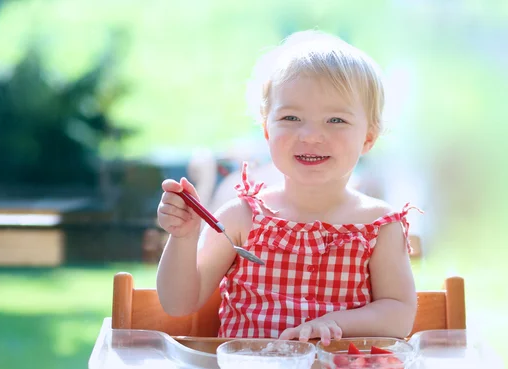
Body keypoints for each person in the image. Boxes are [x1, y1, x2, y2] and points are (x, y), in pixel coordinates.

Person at [156, 30, 421, 345]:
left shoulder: (378, 225)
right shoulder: (242, 219)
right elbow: (178, 303)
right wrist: (183, 238)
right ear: (267, 130)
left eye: (335, 120)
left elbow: (399, 314)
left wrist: (334, 323)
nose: (310, 135)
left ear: (368, 138)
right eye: (291, 117)